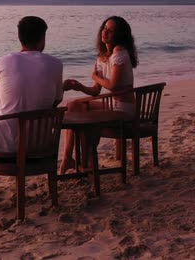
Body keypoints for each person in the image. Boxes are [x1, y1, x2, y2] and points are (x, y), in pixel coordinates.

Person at [0, 16, 63, 213]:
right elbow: (55, 101)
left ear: (20, 38)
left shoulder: (3, 61)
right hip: (43, 143)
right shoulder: (55, 64)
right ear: (42, 38)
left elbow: (3, 102)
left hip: (8, 146)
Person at [59, 16, 138, 174]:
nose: (105, 32)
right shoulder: (103, 57)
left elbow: (113, 86)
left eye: (111, 30)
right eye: (104, 28)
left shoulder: (120, 52)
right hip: (112, 106)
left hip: (124, 110)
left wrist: (95, 76)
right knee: (72, 106)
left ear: (119, 35)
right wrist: (79, 86)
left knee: (86, 121)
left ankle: (88, 162)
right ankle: (67, 157)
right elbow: (96, 91)